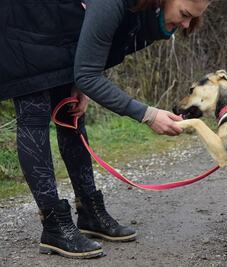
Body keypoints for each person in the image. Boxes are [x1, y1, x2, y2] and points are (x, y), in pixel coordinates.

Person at [0, 0, 210, 259]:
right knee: (34, 115)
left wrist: (84, 80)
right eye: (186, 15)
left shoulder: (145, 11)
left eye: (193, 19)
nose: (186, 24)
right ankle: (54, 224)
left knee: (71, 112)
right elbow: (90, 69)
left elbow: (97, 55)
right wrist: (148, 114)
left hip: (63, 27)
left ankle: (89, 211)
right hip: (25, 21)